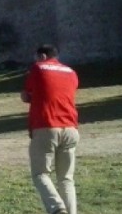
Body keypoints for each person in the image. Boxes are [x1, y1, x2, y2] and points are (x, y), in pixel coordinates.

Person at [21, 44, 79, 214]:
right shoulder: (71, 72)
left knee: (40, 174)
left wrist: (30, 98)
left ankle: (57, 209)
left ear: (43, 56)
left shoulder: (38, 68)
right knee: (66, 179)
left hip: (46, 126)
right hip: (70, 127)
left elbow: (26, 94)